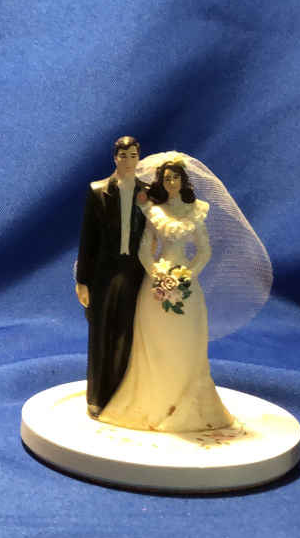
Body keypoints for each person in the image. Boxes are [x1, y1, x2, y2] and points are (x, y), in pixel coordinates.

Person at [97, 157, 234, 433]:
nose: (171, 182)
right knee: (156, 340)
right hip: (156, 284)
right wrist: (157, 274)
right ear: (161, 182)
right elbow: (145, 249)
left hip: (185, 283)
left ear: (183, 180)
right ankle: (154, 400)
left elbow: (204, 251)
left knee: (185, 339)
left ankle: (184, 397)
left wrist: (186, 275)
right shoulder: (155, 211)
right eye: (167, 178)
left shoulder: (196, 211)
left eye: (175, 177)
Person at [76, 137, 151, 418]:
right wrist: (82, 280)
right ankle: (97, 397)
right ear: (115, 157)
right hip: (104, 273)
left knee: (128, 333)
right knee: (100, 332)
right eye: (123, 155)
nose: (128, 161)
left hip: (136, 271)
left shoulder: (148, 193)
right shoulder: (98, 191)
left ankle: (123, 396)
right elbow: (88, 239)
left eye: (133, 155)